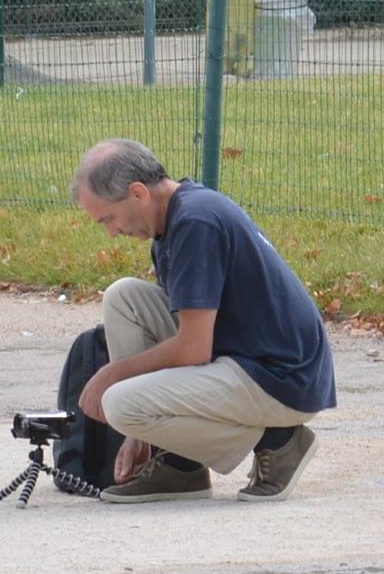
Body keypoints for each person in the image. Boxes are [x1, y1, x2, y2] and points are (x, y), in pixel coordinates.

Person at [72, 139, 336, 504]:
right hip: (246, 356)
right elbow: (190, 338)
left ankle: (279, 442)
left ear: (136, 193)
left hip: (281, 379)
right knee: (124, 298)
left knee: (119, 402)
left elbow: (193, 348)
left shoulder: (196, 222)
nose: (112, 233)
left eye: (109, 219)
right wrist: (142, 434)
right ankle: (180, 466)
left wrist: (113, 375)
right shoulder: (175, 219)